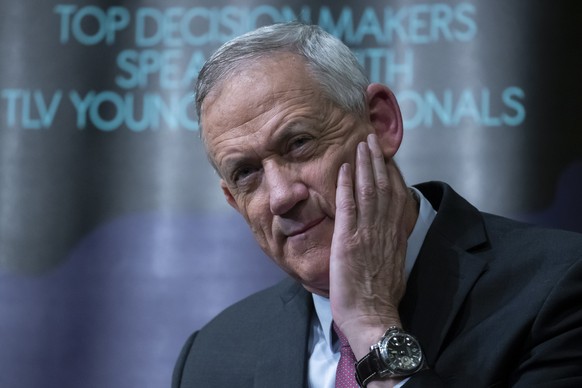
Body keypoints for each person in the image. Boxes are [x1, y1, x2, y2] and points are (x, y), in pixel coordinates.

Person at [172, 22, 582, 387]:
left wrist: (372, 326)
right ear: (232, 199)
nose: (281, 196)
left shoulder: (558, 289)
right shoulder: (211, 356)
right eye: (246, 174)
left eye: (299, 144)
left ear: (381, 122)